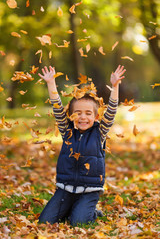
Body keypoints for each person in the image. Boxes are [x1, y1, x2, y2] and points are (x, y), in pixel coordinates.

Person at [38, 65, 126, 226]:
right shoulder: (67, 131)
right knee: (45, 222)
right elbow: (57, 107)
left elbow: (112, 110)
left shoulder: (100, 132)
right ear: (71, 115)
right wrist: (51, 83)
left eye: (88, 113)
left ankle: (91, 211)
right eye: (78, 113)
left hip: (89, 190)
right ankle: (72, 207)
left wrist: (115, 86)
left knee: (78, 223)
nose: (82, 117)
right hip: (66, 189)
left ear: (96, 116)